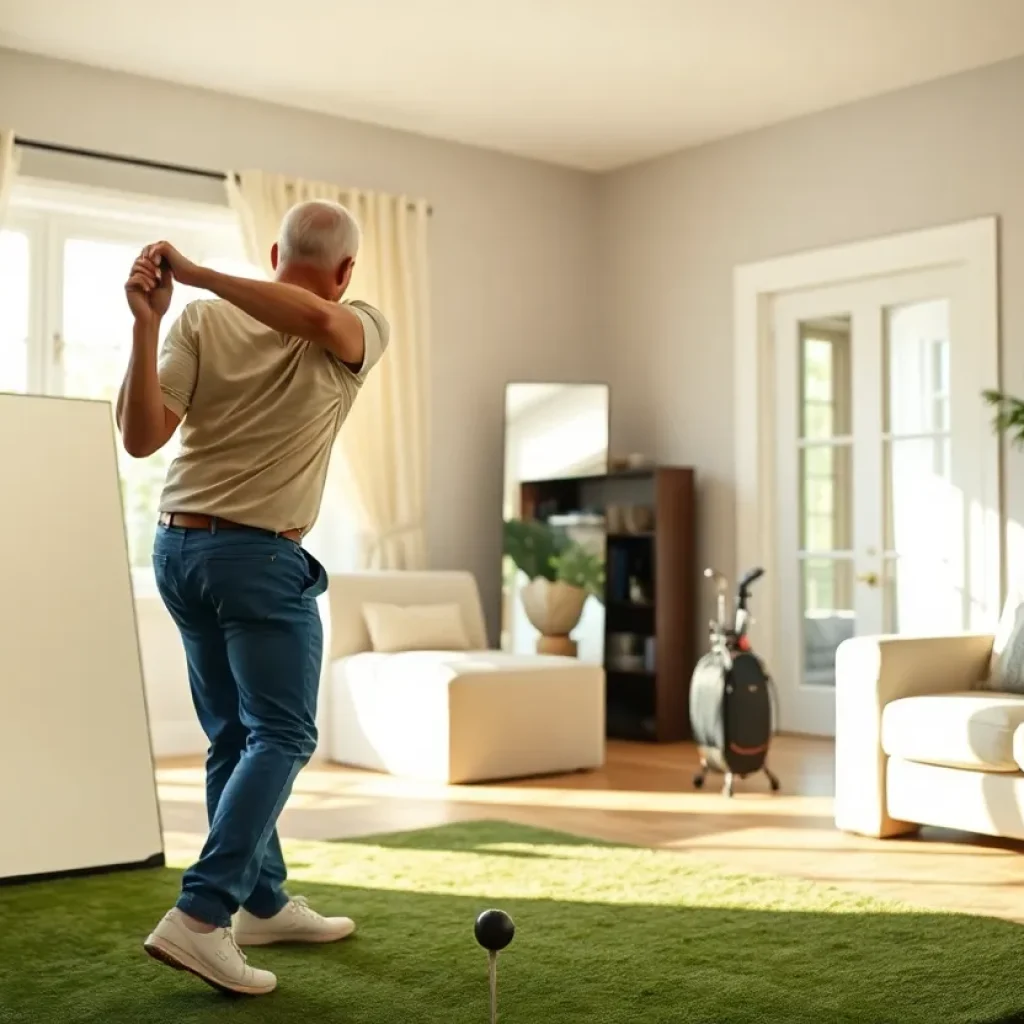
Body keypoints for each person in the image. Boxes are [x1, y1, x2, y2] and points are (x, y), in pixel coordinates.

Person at [116, 200, 389, 997]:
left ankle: (262, 901)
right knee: (282, 733)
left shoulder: (233, 315)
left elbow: (309, 315)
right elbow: (141, 439)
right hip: (254, 559)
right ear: (348, 271)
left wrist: (188, 286)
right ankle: (204, 915)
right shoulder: (352, 317)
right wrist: (149, 318)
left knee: (234, 735)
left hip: (179, 550)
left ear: (273, 251)